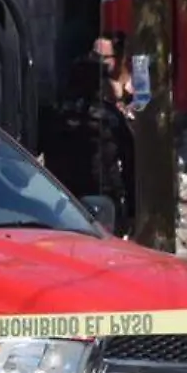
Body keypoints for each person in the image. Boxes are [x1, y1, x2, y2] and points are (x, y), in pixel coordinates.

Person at [39, 52, 135, 237]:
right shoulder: (110, 117)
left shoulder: (55, 115)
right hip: (100, 196)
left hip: (62, 197)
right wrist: (132, 209)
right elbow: (130, 162)